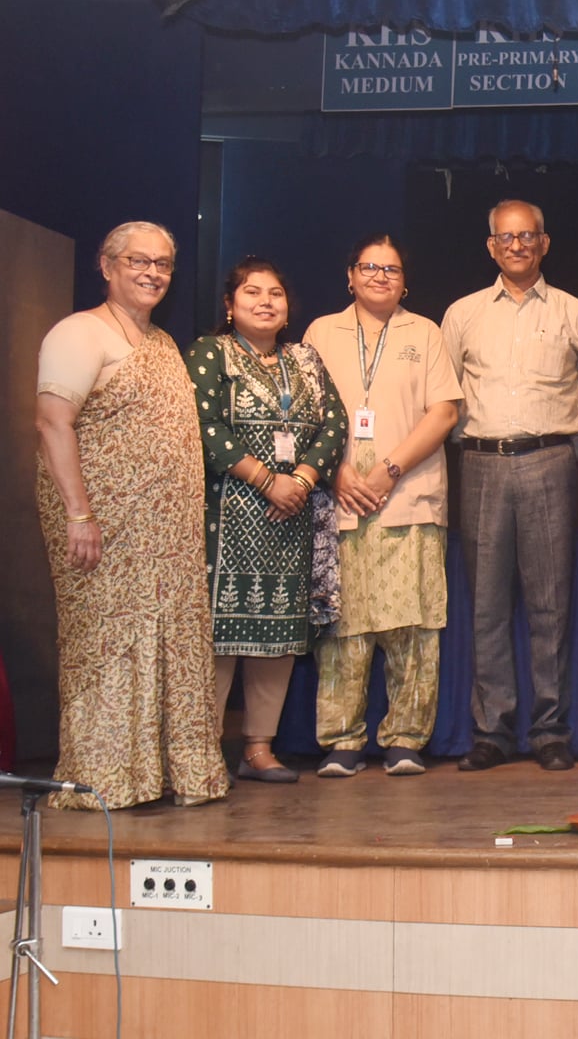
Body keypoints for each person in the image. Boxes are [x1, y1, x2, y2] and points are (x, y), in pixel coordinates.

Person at [34, 222, 231, 809]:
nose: (152, 273)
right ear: (107, 265)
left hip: (165, 536)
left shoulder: (165, 343)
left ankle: (167, 774)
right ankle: (103, 777)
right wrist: (78, 514)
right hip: (100, 527)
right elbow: (51, 422)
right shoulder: (80, 332)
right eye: (138, 261)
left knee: (169, 641)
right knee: (110, 642)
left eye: (163, 264)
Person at [442, 199, 578, 772]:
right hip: (482, 463)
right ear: (491, 246)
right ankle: (491, 730)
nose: (516, 246)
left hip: (549, 462)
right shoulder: (462, 314)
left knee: (550, 604)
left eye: (527, 236)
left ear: (544, 243)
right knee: (486, 604)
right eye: (505, 237)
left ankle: (549, 730)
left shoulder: (576, 314)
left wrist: (571, 451)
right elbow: (443, 396)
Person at [302, 235, 462, 777]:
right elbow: (302, 414)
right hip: (339, 495)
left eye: (391, 269)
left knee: (414, 623)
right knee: (342, 625)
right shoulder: (321, 332)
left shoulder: (426, 332)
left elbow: (442, 414)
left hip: (410, 494)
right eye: (369, 267)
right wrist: (337, 470)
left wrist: (388, 470)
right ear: (350, 275)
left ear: (405, 282)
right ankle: (341, 742)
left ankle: (405, 739)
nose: (380, 276)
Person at [187, 257, 347, 783]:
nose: (265, 301)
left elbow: (335, 424)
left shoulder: (304, 360)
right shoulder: (212, 354)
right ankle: (203, 752)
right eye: (252, 292)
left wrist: (298, 481)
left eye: (275, 293)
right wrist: (264, 479)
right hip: (227, 517)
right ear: (230, 306)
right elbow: (204, 425)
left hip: (291, 519)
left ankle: (259, 748)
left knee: (278, 636)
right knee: (220, 637)